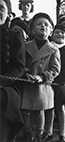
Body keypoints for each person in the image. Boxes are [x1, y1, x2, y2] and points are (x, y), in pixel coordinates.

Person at [20, 13, 61, 142]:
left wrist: (42, 77)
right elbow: (21, 63)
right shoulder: (26, 46)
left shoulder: (54, 49)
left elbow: (55, 69)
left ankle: (39, 135)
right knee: (25, 110)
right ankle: (27, 133)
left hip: (43, 85)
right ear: (32, 30)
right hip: (27, 83)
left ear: (50, 31)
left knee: (39, 111)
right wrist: (26, 73)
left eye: (46, 25)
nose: (43, 26)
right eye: (39, 24)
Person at [0, 0, 25, 141]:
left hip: (7, 87)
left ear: (8, 13)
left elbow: (18, 67)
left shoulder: (15, 36)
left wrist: (2, 81)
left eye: (1, 8)